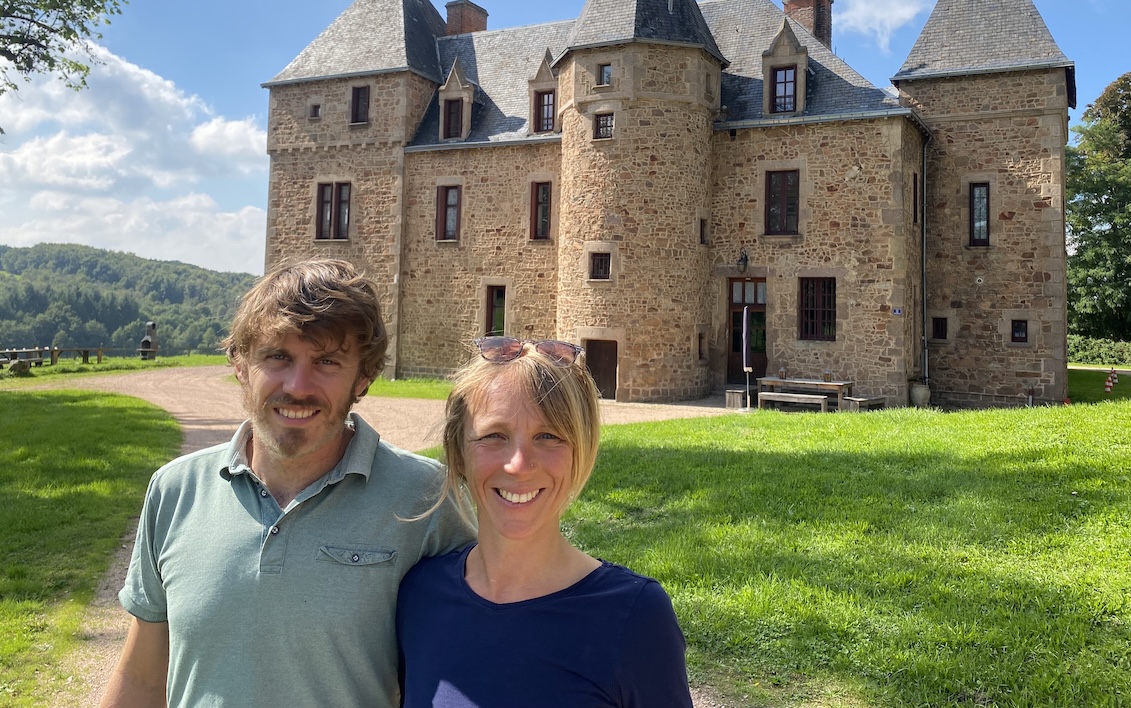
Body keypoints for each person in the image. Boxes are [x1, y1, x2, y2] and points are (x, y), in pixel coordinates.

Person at [100, 258, 475, 708]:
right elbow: (142, 675)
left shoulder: (425, 498)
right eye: (278, 356)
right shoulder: (175, 490)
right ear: (240, 364)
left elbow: (463, 670)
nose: (298, 386)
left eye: (327, 361)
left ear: (364, 377)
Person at [396, 336, 694, 707]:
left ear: (580, 450)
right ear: (459, 451)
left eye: (548, 436)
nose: (519, 464)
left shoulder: (633, 617)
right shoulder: (419, 595)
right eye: (494, 436)